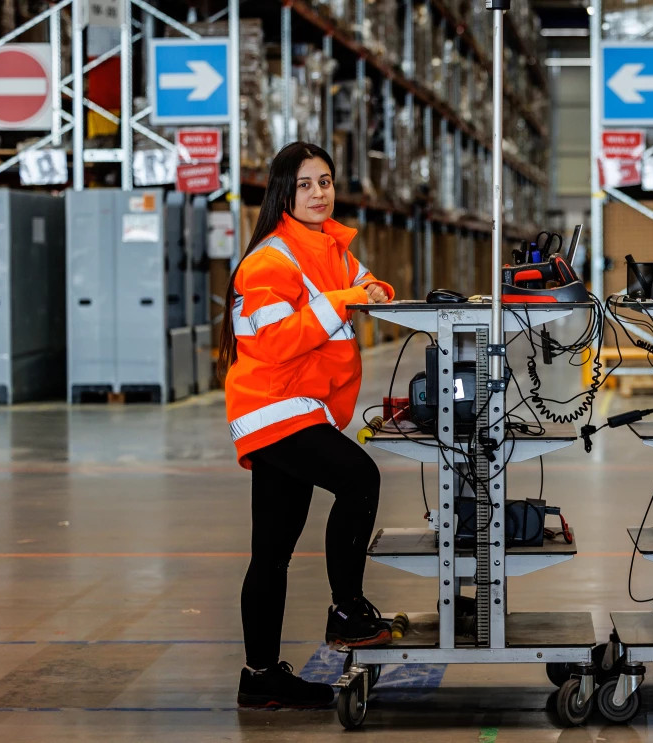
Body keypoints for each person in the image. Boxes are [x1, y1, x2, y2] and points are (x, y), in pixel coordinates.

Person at [218, 142, 396, 708]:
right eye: (305, 184)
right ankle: (347, 610)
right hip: (275, 406)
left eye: (325, 181)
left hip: (301, 407)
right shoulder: (269, 260)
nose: (319, 193)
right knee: (359, 478)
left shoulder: (331, 249)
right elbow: (277, 340)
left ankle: (260, 677)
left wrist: (372, 291)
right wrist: (347, 298)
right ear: (282, 193)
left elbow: (370, 286)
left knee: (271, 552)